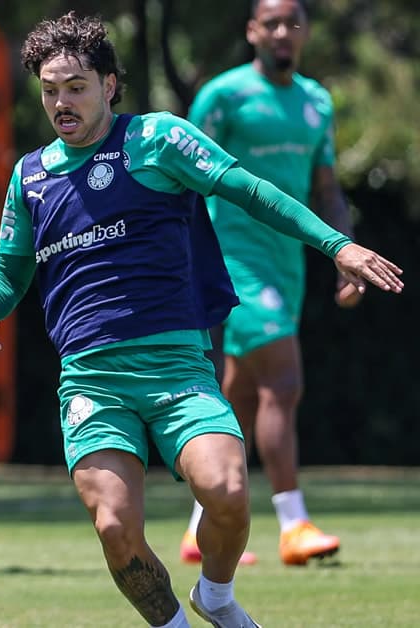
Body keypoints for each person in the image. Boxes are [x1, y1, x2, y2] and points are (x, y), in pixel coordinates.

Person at [0, 12, 402, 628]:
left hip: (177, 367)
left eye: (76, 87)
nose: (61, 102)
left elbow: (250, 190)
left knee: (228, 493)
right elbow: (10, 271)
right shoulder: (30, 175)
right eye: (50, 89)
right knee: (114, 526)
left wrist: (337, 245)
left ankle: (216, 595)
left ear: (109, 85)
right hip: (91, 380)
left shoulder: (156, 139)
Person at [178, 0, 355, 568]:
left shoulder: (316, 101)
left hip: (288, 264)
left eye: (291, 23)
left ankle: (199, 525)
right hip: (234, 260)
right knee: (284, 378)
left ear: (304, 33)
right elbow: (184, 179)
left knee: (243, 394)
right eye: (270, 23)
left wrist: (345, 254)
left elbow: (326, 188)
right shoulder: (223, 96)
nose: (282, 32)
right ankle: (293, 523)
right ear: (252, 31)